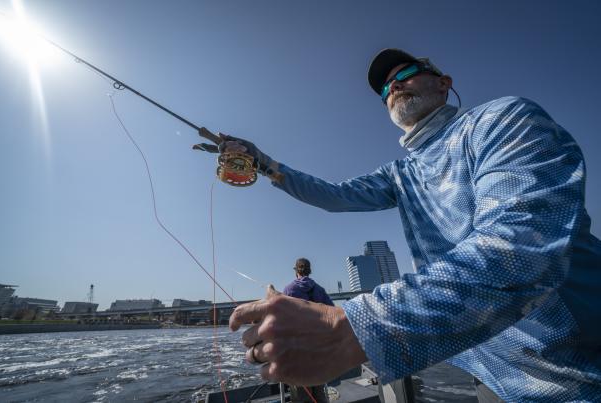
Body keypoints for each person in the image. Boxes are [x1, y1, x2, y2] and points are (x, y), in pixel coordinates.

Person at [219, 48, 601, 402]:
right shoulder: (400, 174)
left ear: (443, 83)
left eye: (407, 74)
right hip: (489, 369)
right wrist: (264, 162)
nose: (394, 86)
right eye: (386, 88)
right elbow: (333, 195)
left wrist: (354, 328)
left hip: (578, 372)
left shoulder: (501, 119)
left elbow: (520, 247)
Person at [282, 258, 333, 402]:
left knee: (301, 393)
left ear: (296, 271)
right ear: (309, 271)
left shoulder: (289, 290)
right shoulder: (320, 290)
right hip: (318, 347)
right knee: (319, 389)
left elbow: (283, 318)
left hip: (297, 348)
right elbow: (333, 314)